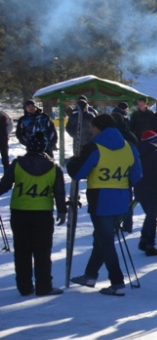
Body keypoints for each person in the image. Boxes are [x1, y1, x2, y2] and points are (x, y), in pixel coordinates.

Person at [66, 113, 143, 296]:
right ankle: (90, 275)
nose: (91, 130)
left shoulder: (95, 148)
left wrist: (72, 163)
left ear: (100, 128)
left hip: (100, 200)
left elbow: (78, 173)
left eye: (93, 127)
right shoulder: (129, 147)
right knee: (101, 238)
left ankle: (117, 282)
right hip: (122, 199)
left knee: (106, 242)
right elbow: (137, 175)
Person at [0, 132, 67, 296]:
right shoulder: (53, 168)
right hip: (43, 213)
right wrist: (62, 211)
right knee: (42, 252)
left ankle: (24, 287)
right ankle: (44, 286)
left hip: (20, 212)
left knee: (22, 251)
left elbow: (4, 185)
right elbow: (59, 193)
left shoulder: (17, 164)